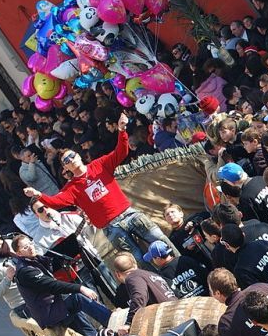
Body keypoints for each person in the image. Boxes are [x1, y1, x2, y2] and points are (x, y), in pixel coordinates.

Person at [23, 112, 175, 261]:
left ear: (79, 156)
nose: (70, 160)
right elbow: (55, 202)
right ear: (65, 168)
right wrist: (38, 194)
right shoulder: (71, 188)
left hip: (129, 214)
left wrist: (122, 130)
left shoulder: (99, 165)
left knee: (162, 241)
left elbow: (121, 152)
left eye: (71, 156)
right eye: (66, 161)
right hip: (111, 227)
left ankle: (185, 267)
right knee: (137, 261)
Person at [11, 235, 111, 336]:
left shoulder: (33, 260)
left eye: (30, 243)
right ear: (19, 253)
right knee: (77, 298)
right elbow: (52, 285)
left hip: (58, 304)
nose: (30, 247)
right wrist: (80, 288)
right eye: (25, 247)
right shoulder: (25, 271)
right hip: (50, 313)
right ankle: (112, 320)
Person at [142, 240, 208, 299]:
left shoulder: (162, 275)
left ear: (158, 258)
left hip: (191, 308)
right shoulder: (184, 259)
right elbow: (205, 274)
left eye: (152, 258)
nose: (153, 261)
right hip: (208, 298)